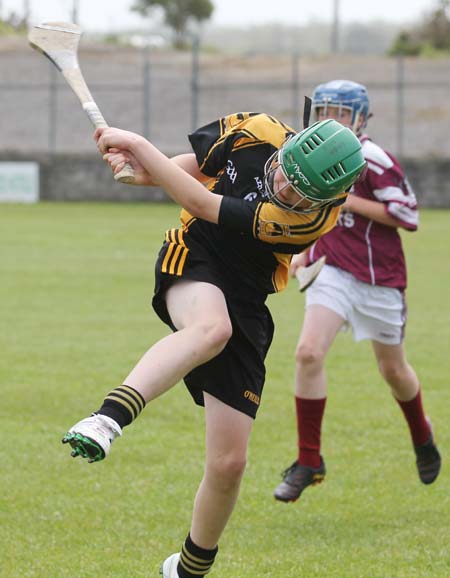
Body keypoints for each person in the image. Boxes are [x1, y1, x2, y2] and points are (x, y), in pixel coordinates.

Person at [61, 111, 366, 577]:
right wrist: (150, 172)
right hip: (195, 252)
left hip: (247, 297)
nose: (283, 189)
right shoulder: (257, 130)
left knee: (229, 463)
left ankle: (188, 570)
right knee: (210, 329)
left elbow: (206, 201)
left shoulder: (314, 220)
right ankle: (108, 418)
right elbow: (205, 167)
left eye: (296, 192)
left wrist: (140, 148)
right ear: (290, 144)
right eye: (285, 173)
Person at [273, 80, 442, 504]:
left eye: (341, 114)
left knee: (394, 372)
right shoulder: (306, 155)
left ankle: (421, 434)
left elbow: (407, 212)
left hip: (380, 279)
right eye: (324, 113)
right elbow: (311, 216)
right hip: (333, 272)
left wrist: (348, 201)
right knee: (308, 353)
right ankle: (309, 460)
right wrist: (300, 253)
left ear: (361, 118)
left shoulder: (371, 158)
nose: (330, 122)